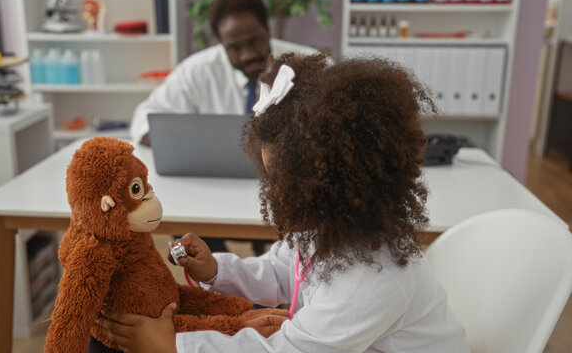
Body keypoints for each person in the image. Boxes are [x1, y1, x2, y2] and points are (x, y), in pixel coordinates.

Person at [96, 53, 470, 352]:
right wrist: (216, 271)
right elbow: (281, 270)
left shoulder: (372, 278)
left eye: (283, 181)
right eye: (269, 177)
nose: (272, 193)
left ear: (337, 184)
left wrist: (172, 346)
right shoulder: (329, 229)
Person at [131, 0, 317, 255]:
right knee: (190, 229)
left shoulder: (306, 64)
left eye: (254, 41)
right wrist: (171, 137)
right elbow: (145, 116)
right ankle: (225, 286)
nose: (248, 54)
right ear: (222, 44)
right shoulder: (197, 71)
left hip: (286, 190)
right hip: (216, 193)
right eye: (235, 48)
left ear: (267, 30)